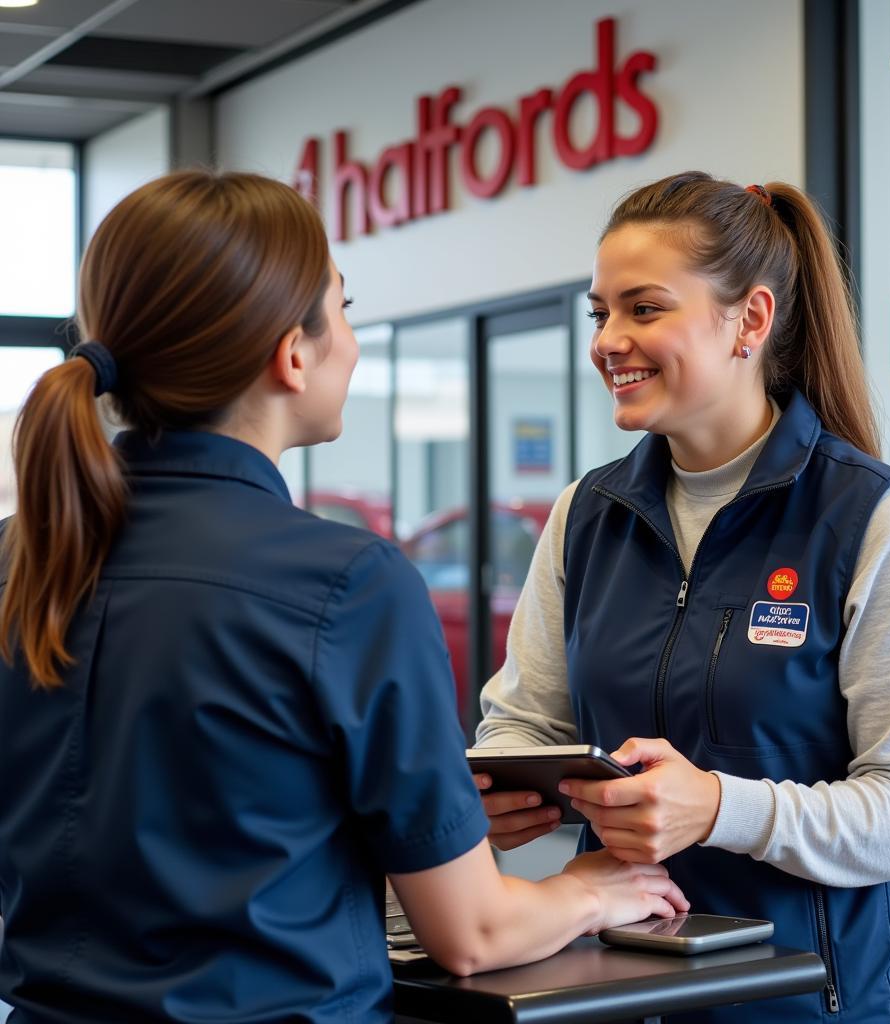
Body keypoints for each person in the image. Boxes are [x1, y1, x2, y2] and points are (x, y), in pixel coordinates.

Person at [0, 170, 687, 1024]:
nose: (352, 342)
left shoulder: (20, 561)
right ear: (292, 354)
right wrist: (589, 888)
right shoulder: (345, 583)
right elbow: (471, 933)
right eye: (345, 309)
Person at [475, 171, 890, 1023]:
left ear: (750, 320)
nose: (608, 341)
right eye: (601, 314)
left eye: (644, 308)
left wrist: (718, 806)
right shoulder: (584, 516)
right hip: (617, 996)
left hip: (807, 1005)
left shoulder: (879, 524)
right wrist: (506, 784)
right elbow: (525, 719)